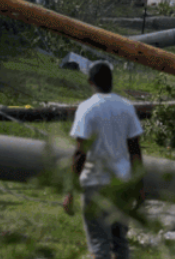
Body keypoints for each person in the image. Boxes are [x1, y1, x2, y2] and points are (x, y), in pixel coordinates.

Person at [64, 62, 145, 259]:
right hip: (121, 183)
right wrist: (139, 186)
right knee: (120, 243)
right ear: (111, 81)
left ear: (90, 82)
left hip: (95, 184)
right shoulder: (126, 107)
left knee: (99, 244)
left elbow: (80, 153)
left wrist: (70, 191)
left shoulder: (86, 108)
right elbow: (135, 150)